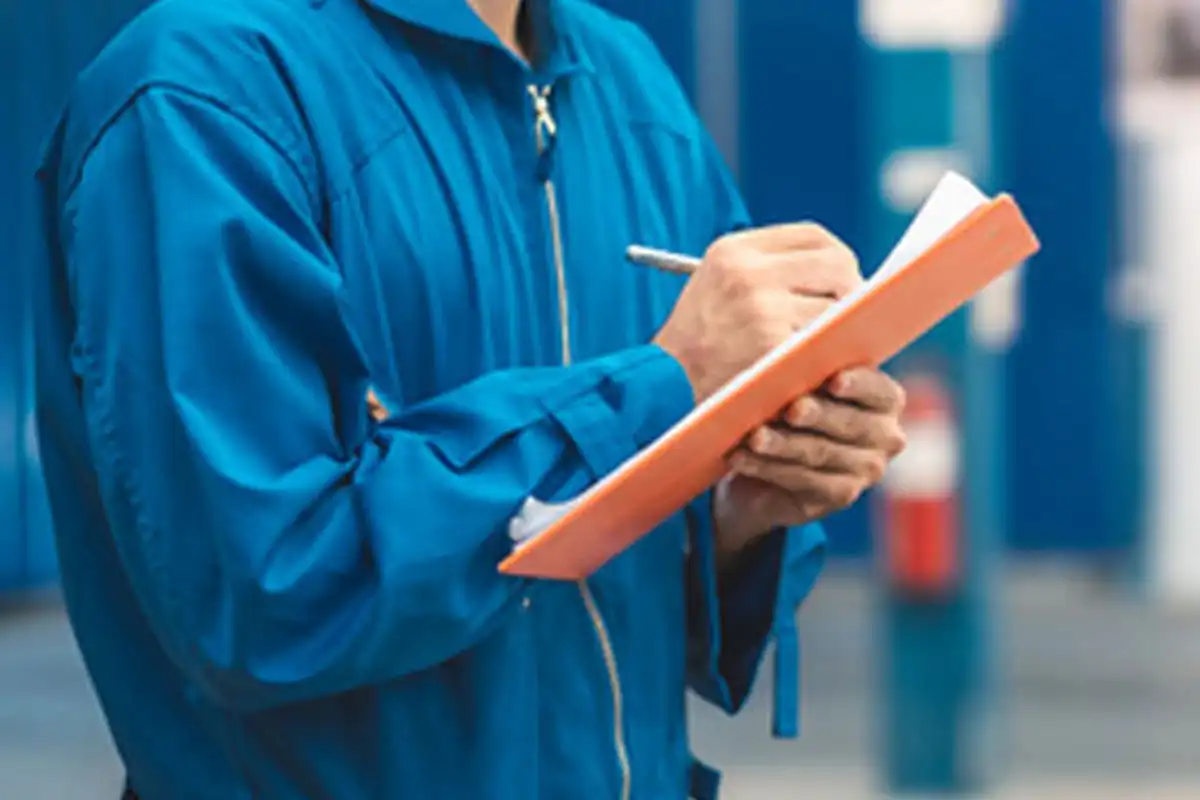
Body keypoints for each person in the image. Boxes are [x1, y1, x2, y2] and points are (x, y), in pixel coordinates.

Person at [31, 0, 907, 797]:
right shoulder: (202, 92)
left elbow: (638, 581)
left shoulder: (626, 82)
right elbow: (262, 590)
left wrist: (737, 503)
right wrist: (656, 391)